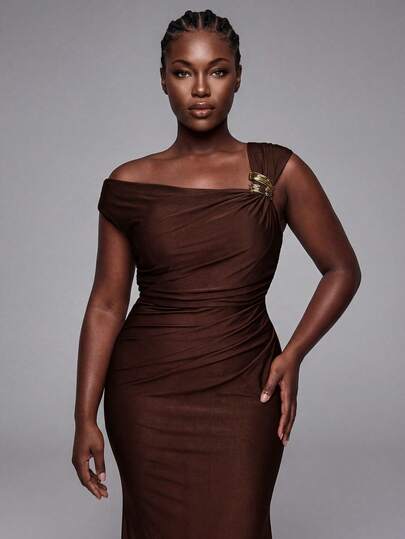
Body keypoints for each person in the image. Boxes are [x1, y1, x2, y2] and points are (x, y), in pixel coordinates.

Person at [72, 9, 361, 539]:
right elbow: (107, 304)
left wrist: (294, 354)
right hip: (145, 394)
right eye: (183, 72)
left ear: (238, 78)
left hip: (245, 388)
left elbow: (342, 269)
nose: (201, 89)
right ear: (163, 79)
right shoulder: (129, 182)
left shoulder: (277, 171)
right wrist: (84, 416)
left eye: (218, 71)